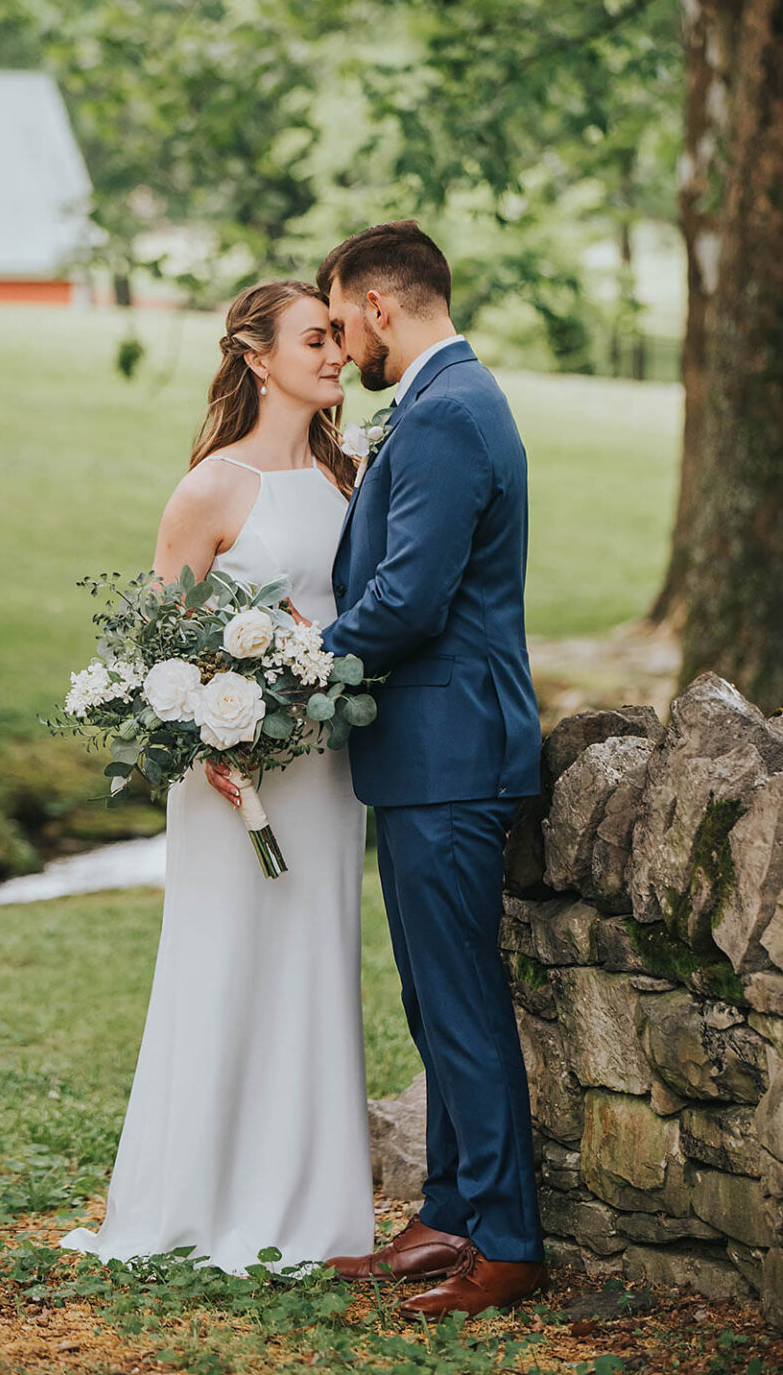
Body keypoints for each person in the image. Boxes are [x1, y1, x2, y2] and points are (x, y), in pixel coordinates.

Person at [58, 280, 376, 1274]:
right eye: (315, 340)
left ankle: (311, 1205)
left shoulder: (349, 474)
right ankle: (193, 1198)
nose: (335, 356)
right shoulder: (209, 488)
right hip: (228, 779)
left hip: (323, 771)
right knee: (224, 963)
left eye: (336, 340)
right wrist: (213, 731)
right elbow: (146, 653)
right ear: (254, 356)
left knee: (314, 960)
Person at [315, 218, 547, 1321]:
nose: (343, 346)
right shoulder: (443, 403)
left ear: (376, 307)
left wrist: (290, 676)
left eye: (341, 319)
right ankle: (450, 1214)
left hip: (449, 750)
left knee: (459, 1003)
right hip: (425, 754)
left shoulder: (449, 412)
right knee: (430, 995)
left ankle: (503, 1241)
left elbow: (408, 599)